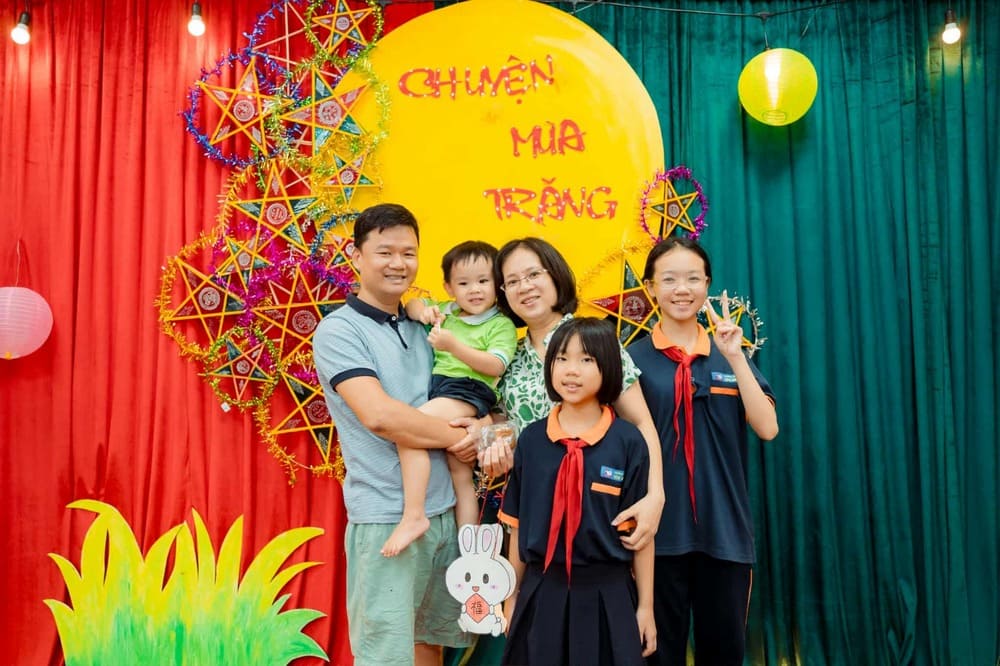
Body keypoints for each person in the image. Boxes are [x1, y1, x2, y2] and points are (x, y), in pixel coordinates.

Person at [313, 203, 477, 666]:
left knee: (430, 644)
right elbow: (381, 416)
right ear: (356, 255)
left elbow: (470, 392)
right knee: (387, 655)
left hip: (446, 513)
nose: (398, 263)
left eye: (409, 253)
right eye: (385, 251)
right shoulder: (338, 331)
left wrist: (482, 428)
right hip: (387, 518)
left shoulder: (429, 325)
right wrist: (454, 435)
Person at [626, 236, 779, 666]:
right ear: (651, 287)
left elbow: (767, 429)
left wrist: (735, 357)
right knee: (658, 655)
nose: (681, 289)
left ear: (707, 285)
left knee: (724, 653)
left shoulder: (730, 353)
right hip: (656, 537)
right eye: (669, 279)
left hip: (725, 533)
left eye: (693, 278)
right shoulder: (631, 360)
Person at [479, 237, 665, 547]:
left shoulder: (594, 340)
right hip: (533, 509)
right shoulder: (504, 357)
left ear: (555, 275)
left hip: (598, 501)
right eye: (512, 281)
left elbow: (641, 422)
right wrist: (492, 447)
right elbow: (506, 431)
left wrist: (655, 495)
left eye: (533, 275)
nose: (524, 287)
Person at [498, 317, 657, 666]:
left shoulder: (628, 442)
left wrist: (645, 607)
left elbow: (640, 536)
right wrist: (511, 599)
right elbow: (516, 526)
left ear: (610, 368)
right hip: (542, 589)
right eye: (562, 358)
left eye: (587, 359)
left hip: (609, 591)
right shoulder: (532, 440)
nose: (572, 370)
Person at [381, 240, 517, 557]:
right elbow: (412, 304)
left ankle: (414, 515)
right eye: (464, 283)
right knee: (461, 474)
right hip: (444, 388)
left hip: (468, 388)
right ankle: (468, 552)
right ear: (449, 287)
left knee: (407, 430)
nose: (475, 290)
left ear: (497, 283)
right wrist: (423, 311)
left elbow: (496, 364)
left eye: (483, 281)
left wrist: (453, 346)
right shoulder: (448, 311)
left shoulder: (500, 324)